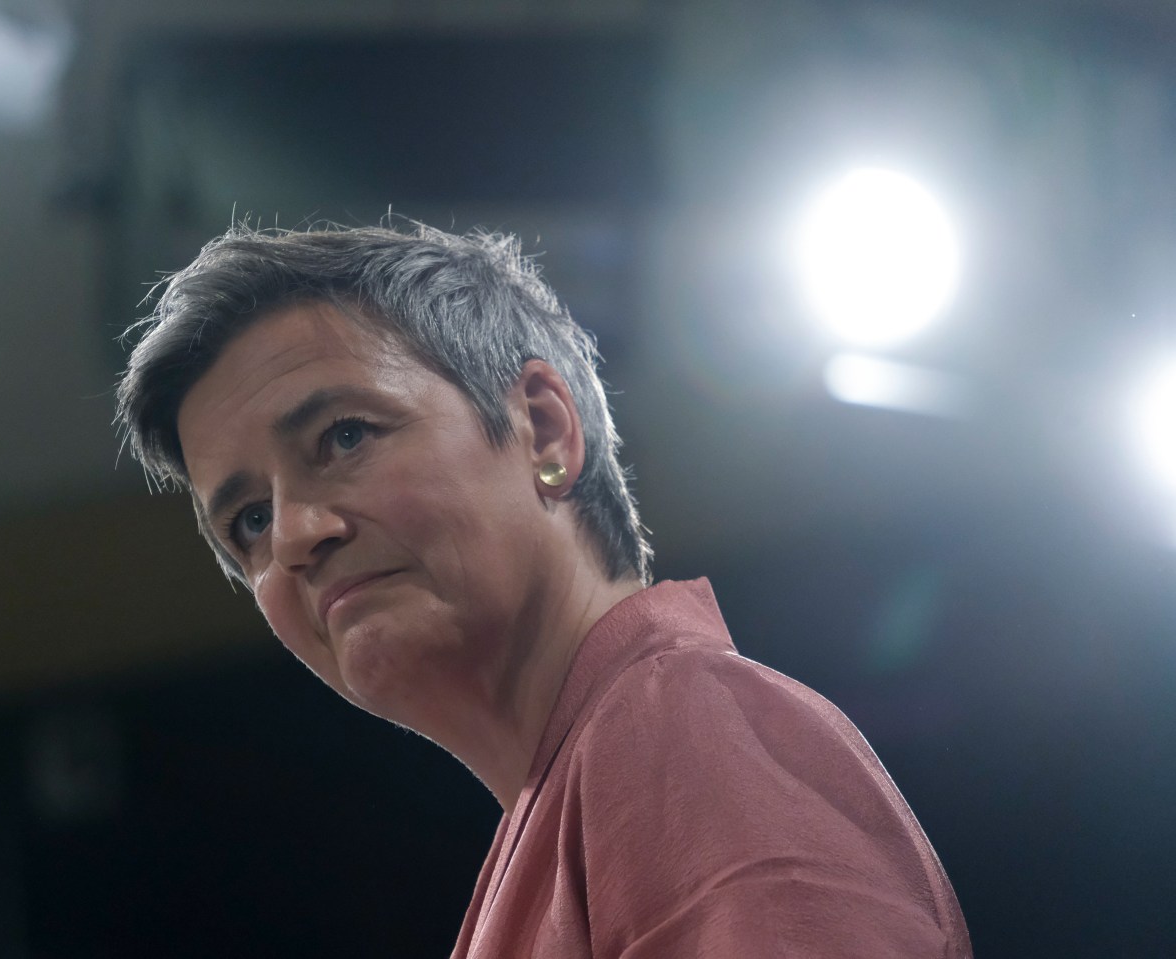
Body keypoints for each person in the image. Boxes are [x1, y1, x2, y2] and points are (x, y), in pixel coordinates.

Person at [115, 222, 972, 958]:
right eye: (250, 522)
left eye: (344, 435)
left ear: (544, 429)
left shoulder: (680, 723)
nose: (295, 533)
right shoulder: (584, 799)